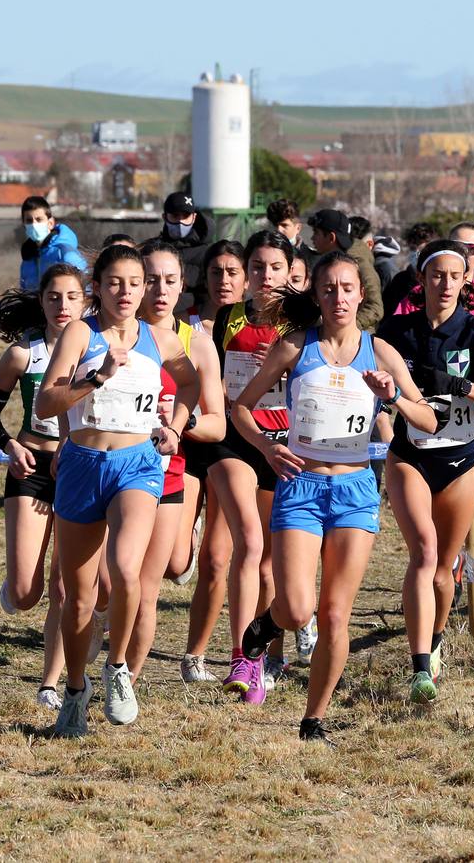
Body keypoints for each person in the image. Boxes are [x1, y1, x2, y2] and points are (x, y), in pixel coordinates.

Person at [231, 252, 439, 743]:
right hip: (300, 484)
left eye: (347, 288)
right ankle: (266, 625)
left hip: (354, 489)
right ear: (317, 296)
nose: (339, 297)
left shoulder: (381, 352)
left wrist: (391, 398)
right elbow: (240, 407)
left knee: (336, 613)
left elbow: (428, 421)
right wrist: (269, 447)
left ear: (361, 293)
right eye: (329, 289)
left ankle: (313, 719)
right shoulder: (294, 347)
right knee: (299, 609)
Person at [34, 244, 198, 738]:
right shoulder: (80, 333)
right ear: (98, 288)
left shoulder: (161, 339)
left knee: (127, 571)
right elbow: (46, 401)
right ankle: (77, 689)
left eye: (135, 283)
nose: (126, 293)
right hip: (84, 464)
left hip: (138, 465)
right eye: (114, 283)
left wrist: (176, 427)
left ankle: (119, 668)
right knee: (78, 598)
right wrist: (96, 377)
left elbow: (191, 385)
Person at [377, 238, 474, 704]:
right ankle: (420, 666)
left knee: (444, 570)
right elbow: (368, 376)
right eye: (435, 275)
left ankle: (435, 641)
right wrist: (386, 414)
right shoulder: (396, 332)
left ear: (466, 283)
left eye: (453, 277)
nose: (444, 284)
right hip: (410, 455)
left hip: (461, 460)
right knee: (422, 554)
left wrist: (464, 387)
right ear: (420, 280)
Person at [0, 264, 88, 711]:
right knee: (28, 594)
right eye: (54, 297)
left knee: (63, 586)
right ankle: (15, 587)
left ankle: (50, 683)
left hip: (77, 468)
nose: (62, 306)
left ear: (86, 302)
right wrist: (10, 447)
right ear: (41, 302)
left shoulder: (95, 351)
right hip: (30, 468)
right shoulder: (24, 355)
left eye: (72, 297)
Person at [192, 231, 293, 700]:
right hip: (233, 442)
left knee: (270, 561)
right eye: (257, 267)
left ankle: (270, 651)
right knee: (248, 544)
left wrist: (284, 368)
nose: (265, 276)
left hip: (283, 445)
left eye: (274, 267)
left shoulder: (301, 326)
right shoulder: (225, 319)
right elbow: (206, 380)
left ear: (290, 272)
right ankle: (241, 659)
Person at [125, 240, 226, 685]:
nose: (159, 290)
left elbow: (218, 426)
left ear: (183, 286)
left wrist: (178, 424)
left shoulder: (197, 345)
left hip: (168, 470)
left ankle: (123, 679)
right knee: (111, 583)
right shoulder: (112, 335)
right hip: (110, 469)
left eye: (169, 280)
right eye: (150, 280)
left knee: (160, 575)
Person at [307, 209, 383, 329]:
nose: (312, 238)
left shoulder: (360, 265)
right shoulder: (323, 262)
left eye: (316, 233)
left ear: (331, 238)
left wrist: (347, 328)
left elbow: (375, 307)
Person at [18, 195, 87, 291]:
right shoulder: (27, 258)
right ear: (24, 225)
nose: (34, 224)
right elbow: (23, 292)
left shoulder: (64, 253)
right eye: (29, 221)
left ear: (50, 223)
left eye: (39, 219)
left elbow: (85, 290)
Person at [182, 240, 246, 335]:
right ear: (205, 279)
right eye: (216, 273)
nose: (224, 280)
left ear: (247, 280)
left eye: (232, 273)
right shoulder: (182, 324)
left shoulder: (263, 326)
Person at [157, 191, 213, 290]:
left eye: (185, 216)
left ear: (194, 217)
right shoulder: (153, 249)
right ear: (164, 217)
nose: (180, 221)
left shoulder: (209, 253)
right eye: (175, 216)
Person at [383, 221, 441, 314]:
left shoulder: (441, 281)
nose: (416, 254)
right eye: (413, 249)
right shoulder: (400, 280)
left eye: (422, 250)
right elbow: (388, 314)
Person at [266, 197, 316, 263]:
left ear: (298, 228)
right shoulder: (259, 255)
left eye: (284, 225)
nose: (278, 230)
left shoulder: (313, 259)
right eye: (275, 225)